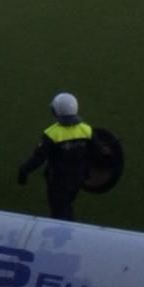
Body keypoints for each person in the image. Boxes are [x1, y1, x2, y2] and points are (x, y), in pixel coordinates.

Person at [17, 92, 93, 220]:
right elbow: (96, 153)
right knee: (68, 201)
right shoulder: (87, 130)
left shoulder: (52, 134)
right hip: (79, 178)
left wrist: (23, 171)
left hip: (58, 181)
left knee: (60, 212)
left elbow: (38, 159)